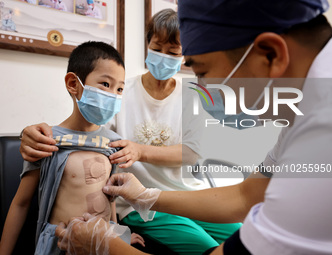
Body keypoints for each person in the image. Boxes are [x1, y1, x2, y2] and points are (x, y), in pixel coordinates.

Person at [55, 0, 332, 254]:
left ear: (271, 55)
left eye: (202, 72)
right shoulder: (307, 109)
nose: (203, 89)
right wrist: (146, 196)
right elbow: (245, 196)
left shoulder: (323, 133)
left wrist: (105, 247)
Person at [18, 9, 242, 255]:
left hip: (186, 195)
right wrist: (33, 133)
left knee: (243, 233)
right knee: (207, 247)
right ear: (147, 45)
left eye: (173, 52)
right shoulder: (120, 92)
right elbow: (87, 133)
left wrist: (139, 151)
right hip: (136, 203)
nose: (164, 56)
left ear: (184, 55)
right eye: (157, 48)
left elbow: (191, 153)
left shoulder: (193, 96)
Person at [0, 41, 138, 255]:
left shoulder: (114, 143)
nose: (114, 95)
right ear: (74, 83)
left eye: (119, 88)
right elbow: (21, 203)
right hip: (60, 244)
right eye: (105, 85)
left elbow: (110, 197)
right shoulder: (45, 140)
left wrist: (117, 233)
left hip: (101, 244)